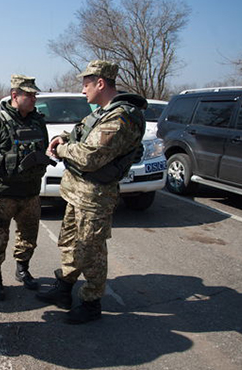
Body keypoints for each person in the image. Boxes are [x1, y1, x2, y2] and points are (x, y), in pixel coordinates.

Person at [36, 60, 146, 324]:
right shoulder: (101, 112)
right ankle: (64, 289)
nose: (83, 90)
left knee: (91, 250)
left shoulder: (120, 118)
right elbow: (81, 133)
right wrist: (63, 137)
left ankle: (91, 302)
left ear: (100, 83)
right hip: (78, 193)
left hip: (94, 197)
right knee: (71, 243)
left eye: (86, 85)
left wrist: (60, 151)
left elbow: (89, 157)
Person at [0, 75, 52, 301]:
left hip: (31, 193)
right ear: (15, 95)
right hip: (3, 195)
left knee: (28, 235)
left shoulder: (38, 122)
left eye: (35, 94)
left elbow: (42, 151)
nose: (34, 98)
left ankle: (22, 269)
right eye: (29, 94)